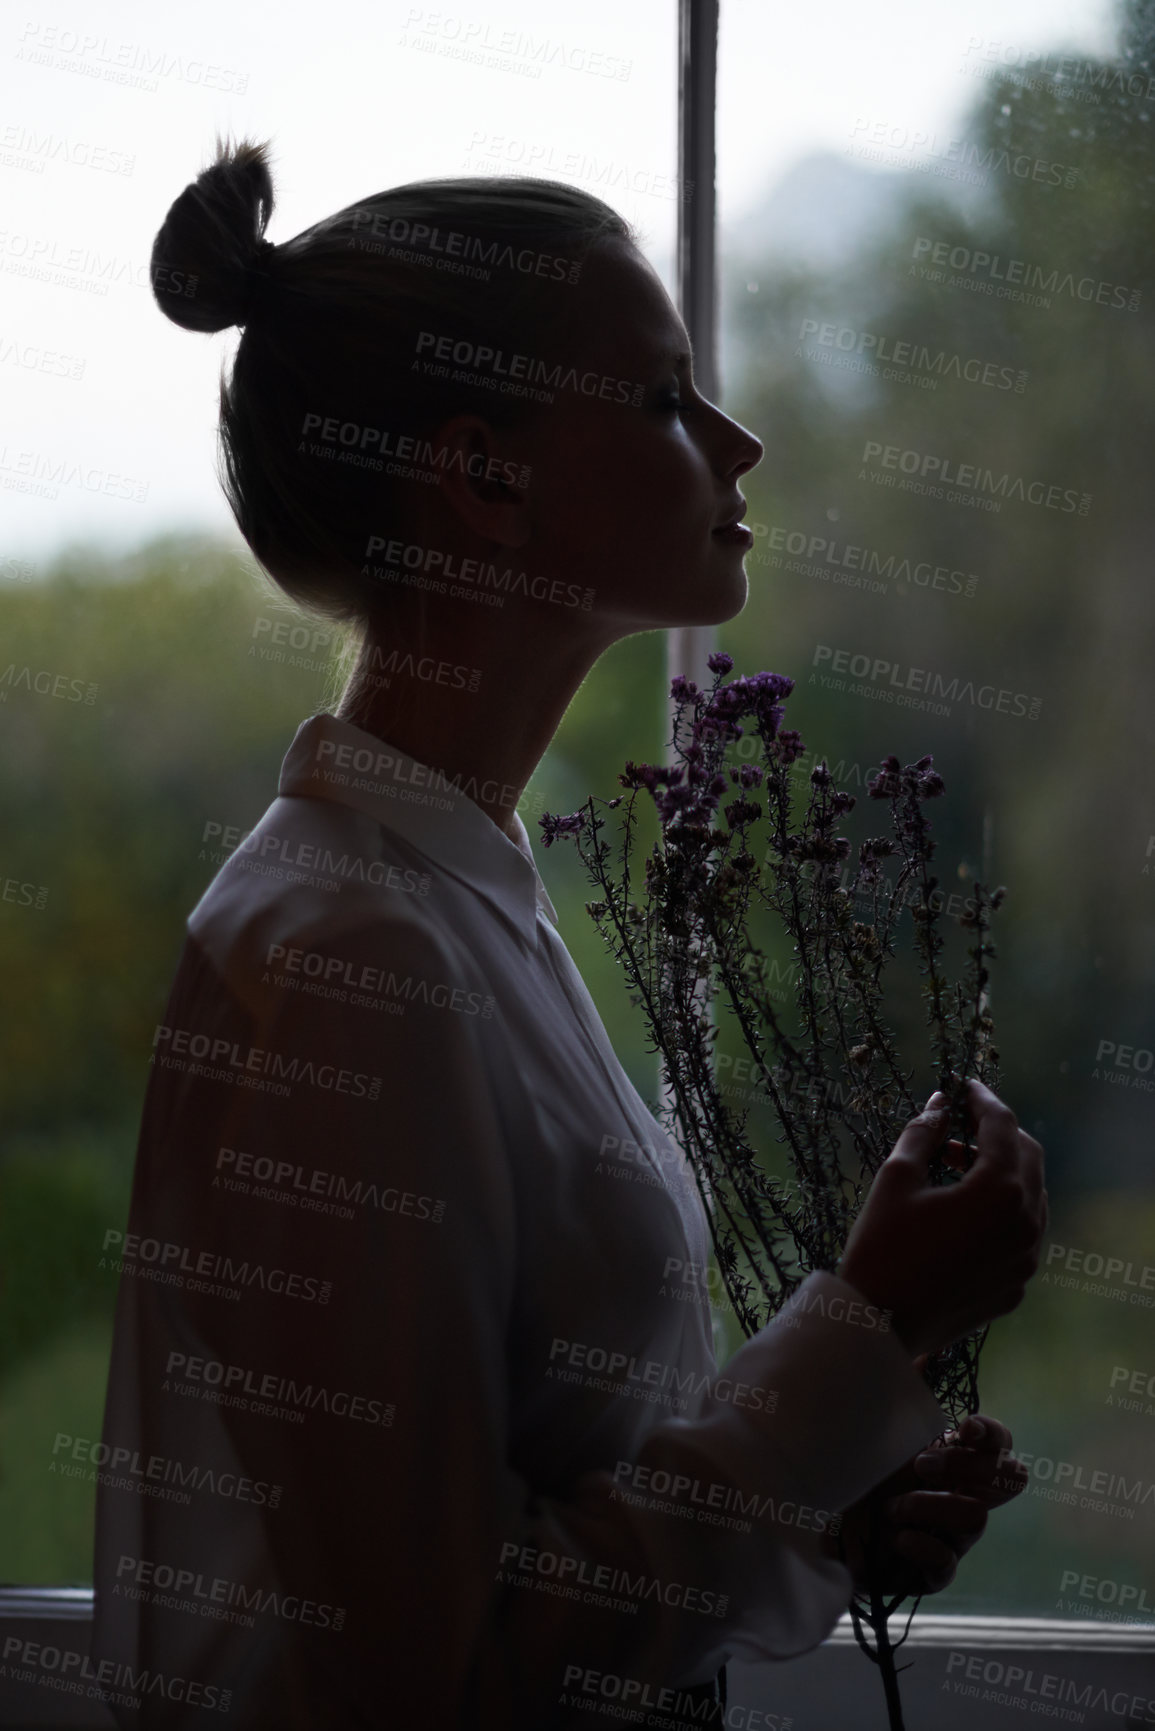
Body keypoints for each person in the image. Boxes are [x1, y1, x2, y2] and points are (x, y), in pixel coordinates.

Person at [90, 135, 1047, 1728]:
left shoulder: (442, 906)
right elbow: (436, 1685)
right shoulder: (351, 967)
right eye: (668, 399)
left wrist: (821, 1518)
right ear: (483, 475)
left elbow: (516, 1547)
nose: (740, 444)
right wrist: (874, 1326)